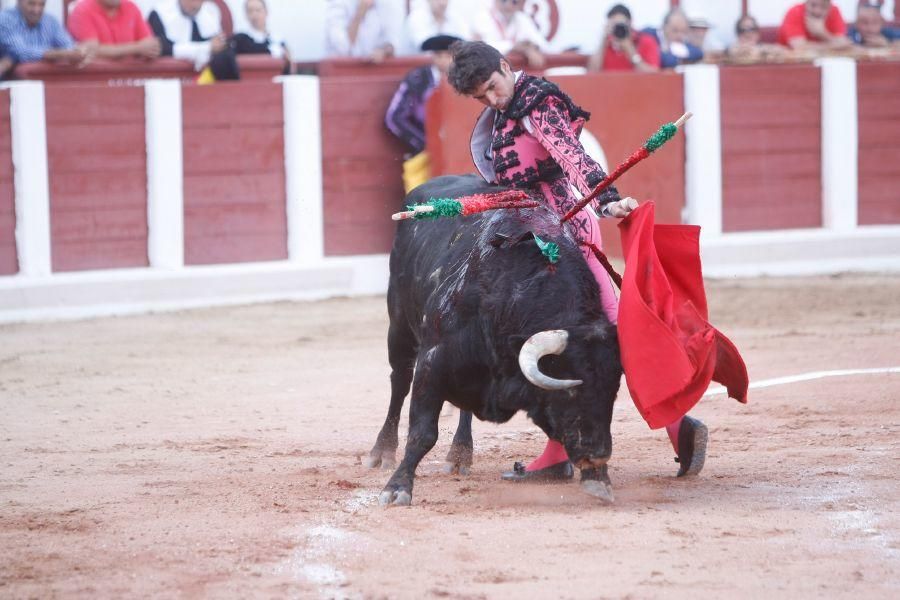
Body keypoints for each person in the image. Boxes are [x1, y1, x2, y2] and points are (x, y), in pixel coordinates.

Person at [446, 41, 708, 482]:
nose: (491, 99)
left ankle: (678, 425)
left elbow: (573, 156)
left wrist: (605, 201)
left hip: (566, 237)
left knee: (607, 332)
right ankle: (561, 451)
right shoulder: (507, 109)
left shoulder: (537, 104)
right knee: (560, 341)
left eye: (493, 87)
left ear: (507, 68)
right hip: (533, 239)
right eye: (481, 97)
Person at [385, 34, 461, 192]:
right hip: (425, 151)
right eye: (440, 55)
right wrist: (424, 142)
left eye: (449, 56)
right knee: (422, 202)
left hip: (458, 152)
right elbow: (395, 117)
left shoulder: (465, 79)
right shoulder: (418, 80)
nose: (445, 61)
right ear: (433, 57)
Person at [0, 0, 96, 71]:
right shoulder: (5, 19)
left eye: (41, 4)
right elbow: (20, 51)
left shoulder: (50, 21)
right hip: (11, 82)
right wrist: (60, 55)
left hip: (45, 81)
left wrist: (78, 53)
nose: (36, 10)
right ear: (19, 2)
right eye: (31, 4)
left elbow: (69, 46)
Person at [67, 0, 162, 60]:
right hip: (96, 81)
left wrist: (150, 49)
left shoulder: (131, 7)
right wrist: (138, 48)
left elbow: (150, 44)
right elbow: (90, 51)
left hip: (130, 80)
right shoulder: (82, 10)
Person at [147, 0, 227, 69]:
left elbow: (219, 46)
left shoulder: (210, 12)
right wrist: (206, 47)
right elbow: (161, 48)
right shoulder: (159, 14)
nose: (196, 4)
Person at [471, 0, 548, 69]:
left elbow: (542, 44)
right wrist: (517, 47)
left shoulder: (521, 17)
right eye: (514, 1)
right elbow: (483, 48)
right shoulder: (482, 17)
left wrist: (529, 47)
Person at [586, 3, 660, 73]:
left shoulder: (645, 41)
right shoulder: (606, 44)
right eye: (614, 25)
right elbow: (592, 72)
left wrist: (630, 51)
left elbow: (653, 75)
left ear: (630, 23)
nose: (618, 29)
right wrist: (603, 41)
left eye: (621, 25)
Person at [325, 0, 403, 63]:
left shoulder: (386, 4)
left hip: (373, 71)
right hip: (342, 72)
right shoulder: (338, 5)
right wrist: (359, 14)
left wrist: (383, 51)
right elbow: (343, 49)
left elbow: (392, 42)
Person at [231, 0, 290, 73]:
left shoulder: (278, 39)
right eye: (250, 11)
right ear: (246, 14)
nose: (254, 14)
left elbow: (287, 66)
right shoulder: (240, 39)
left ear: (266, 12)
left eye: (258, 10)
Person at [777, 0, 851, 50]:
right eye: (813, 5)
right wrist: (833, 45)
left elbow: (844, 44)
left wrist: (822, 33)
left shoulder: (834, 12)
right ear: (806, 2)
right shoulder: (795, 12)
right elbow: (799, 48)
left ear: (830, 6)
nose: (817, 11)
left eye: (823, 7)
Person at [403, 0, 469, 56]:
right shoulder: (415, 19)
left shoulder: (457, 18)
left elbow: (466, 45)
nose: (442, 3)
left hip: (452, 66)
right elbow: (425, 48)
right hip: (421, 67)